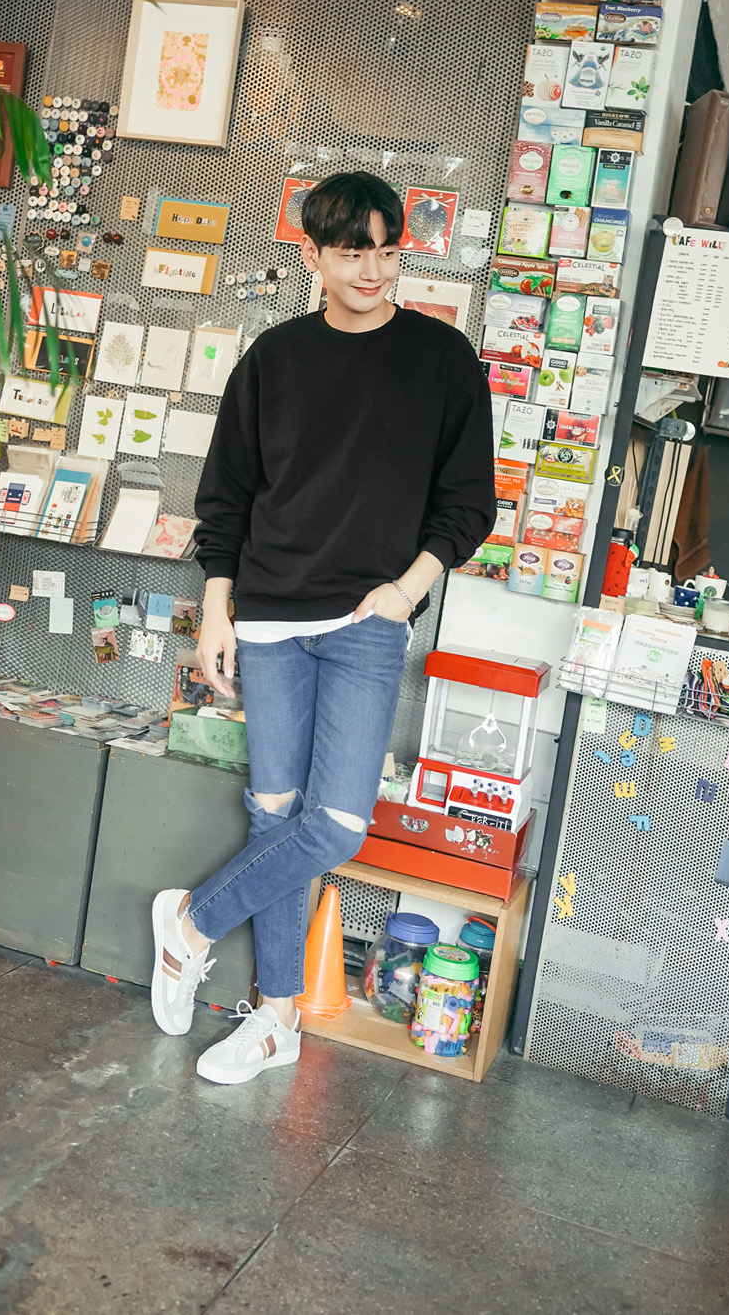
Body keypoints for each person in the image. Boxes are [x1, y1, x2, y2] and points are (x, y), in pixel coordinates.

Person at [150, 171, 495, 1084]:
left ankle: (189, 925)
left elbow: (469, 503)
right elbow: (227, 496)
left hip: (367, 620)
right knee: (274, 819)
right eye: (351, 252)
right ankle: (276, 1021)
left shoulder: (442, 359)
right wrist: (216, 609)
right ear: (313, 255)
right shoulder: (275, 357)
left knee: (335, 824)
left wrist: (405, 592)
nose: (372, 270)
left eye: (387, 251)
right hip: (267, 618)